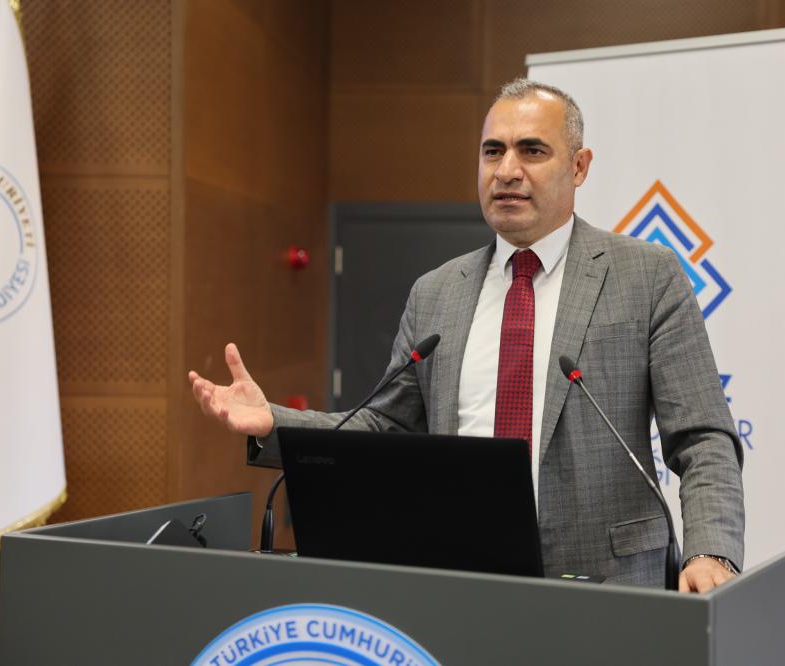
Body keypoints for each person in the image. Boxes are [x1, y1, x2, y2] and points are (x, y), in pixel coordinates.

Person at [189, 79, 744, 592]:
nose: (507, 171)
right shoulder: (436, 293)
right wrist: (273, 423)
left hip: (610, 585)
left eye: (532, 150)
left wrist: (710, 553)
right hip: (463, 580)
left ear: (579, 166)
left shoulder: (646, 276)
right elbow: (385, 427)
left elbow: (703, 438)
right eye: (492, 152)